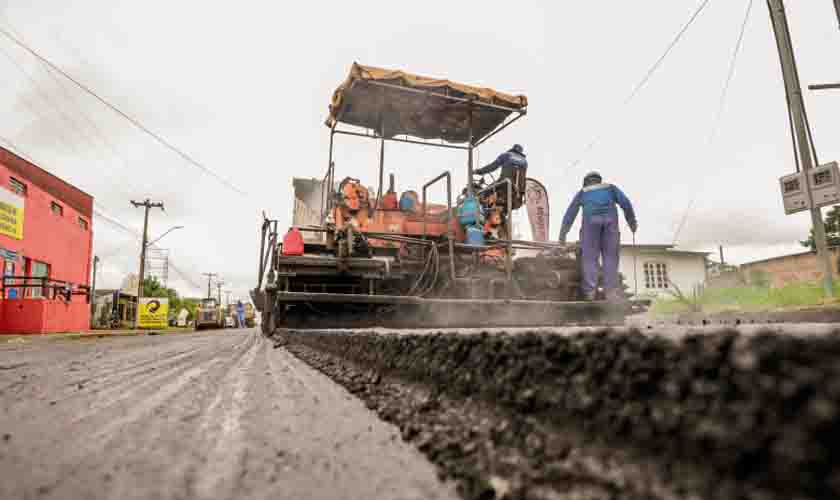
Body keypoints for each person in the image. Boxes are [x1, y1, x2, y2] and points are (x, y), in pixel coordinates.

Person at [558, 171, 637, 301]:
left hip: (590, 226)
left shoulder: (583, 192)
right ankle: (610, 292)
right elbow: (626, 203)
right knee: (610, 258)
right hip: (610, 225)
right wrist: (632, 222)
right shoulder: (611, 188)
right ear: (599, 180)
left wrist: (562, 235)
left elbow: (570, 214)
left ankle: (590, 293)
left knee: (590, 259)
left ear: (586, 182)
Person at [473, 144, 528, 210]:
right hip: (517, 193)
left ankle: (481, 212)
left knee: (482, 193)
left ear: (512, 149)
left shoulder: (507, 155)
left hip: (504, 184)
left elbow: (492, 166)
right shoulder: (525, 161)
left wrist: (478, 171)